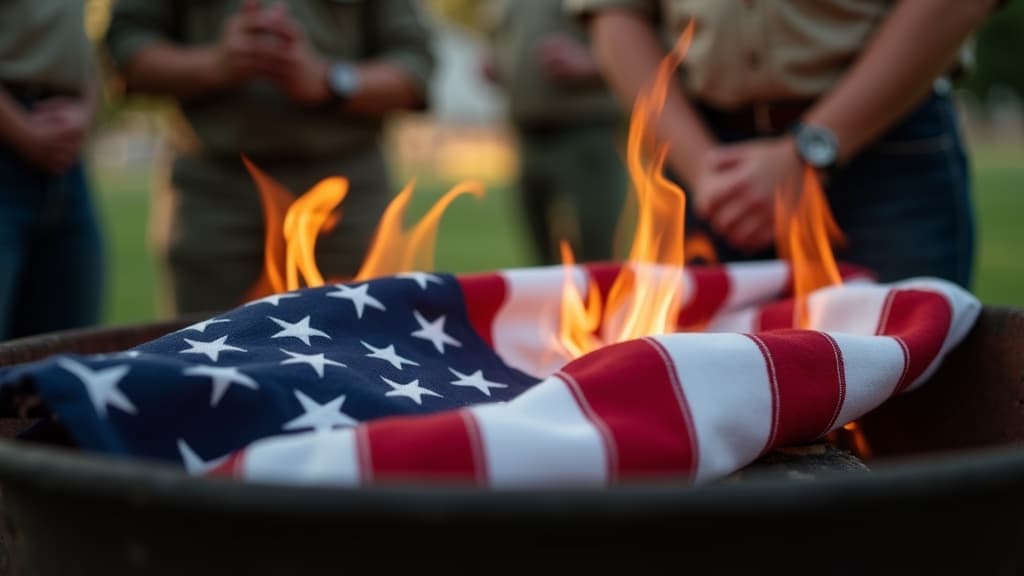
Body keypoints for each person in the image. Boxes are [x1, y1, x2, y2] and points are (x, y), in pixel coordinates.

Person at [567, 0, 1005, 288]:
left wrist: (811, 148)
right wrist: (702, 168)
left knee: (901, 388)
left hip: (884, 146)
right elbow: (614, 12)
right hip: (708, 159)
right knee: (712, 389)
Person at [104, 0, 435, 316]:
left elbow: (415, 67)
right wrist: (216, 64)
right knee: (207, 346)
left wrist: (328, 80)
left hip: (347, 190)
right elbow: (125, 50)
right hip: (215, 190)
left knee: (360, 341)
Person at [480, 0, 627, 265]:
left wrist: (592, 63)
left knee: (596, 249)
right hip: (528, 134)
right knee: (541, 255)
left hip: (584, 130)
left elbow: (650, 40)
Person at [0, 1, 105, 340]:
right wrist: (23, 130)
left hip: (65, 162)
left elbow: (77, 41)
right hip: (13, 132)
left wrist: (85, 111)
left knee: (70, 355)